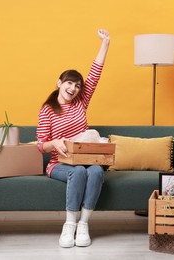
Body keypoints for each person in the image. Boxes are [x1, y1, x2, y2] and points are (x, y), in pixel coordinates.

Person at [36, 29, 110, 248]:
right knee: (77, 171)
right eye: (69, 83)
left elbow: (95, 73)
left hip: (87, 158)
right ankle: (69, 224)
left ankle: (84, 224)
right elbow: (40, 146)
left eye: (77, 85)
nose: (73, 88)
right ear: (59, 83)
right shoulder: (47, 110)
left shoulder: (81, 102)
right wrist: (55, 143)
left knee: (96, 170)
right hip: (58, 163)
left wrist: (105, 43)